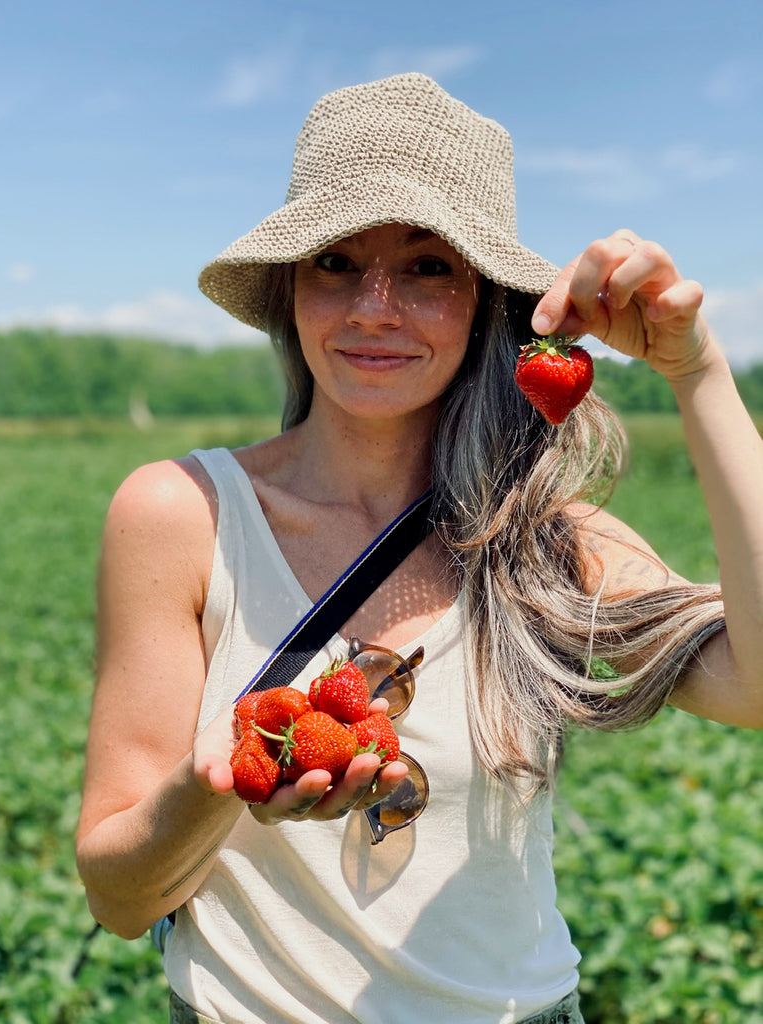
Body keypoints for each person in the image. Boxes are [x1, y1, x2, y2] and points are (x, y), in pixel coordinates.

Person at [75, 73, 763, 1024]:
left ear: (488, 302)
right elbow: (117, 899)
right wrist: (222, 787)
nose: (375, 306)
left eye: (430, 268)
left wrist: (699, 374)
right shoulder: (183, 513)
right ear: (289, 289)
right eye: (336, 263)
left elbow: (756, 688)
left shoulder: (544, 540)